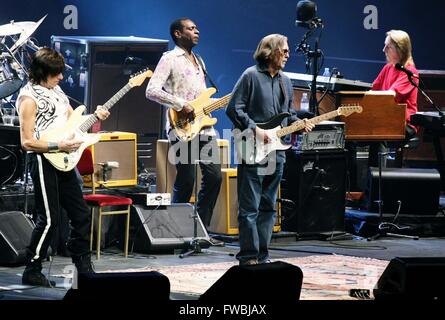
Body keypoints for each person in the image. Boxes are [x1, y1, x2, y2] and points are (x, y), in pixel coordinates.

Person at [17, 48, 110, 287]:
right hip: (43, 160)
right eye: (56, 73)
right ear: (43, 72)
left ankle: (82, 263)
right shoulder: (28, 98)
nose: (61, 78)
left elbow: (76, 123)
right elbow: (27, 142)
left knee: (80, 215)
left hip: (65, 161)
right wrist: (60, 144)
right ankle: (33, 267)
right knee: (49, 219)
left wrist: (95, 117)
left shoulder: (57, 92)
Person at [226, 34, 314, 266]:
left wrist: (300, 124)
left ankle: (263, 255)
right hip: (253, 148)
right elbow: (234, 109)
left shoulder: (285, 81)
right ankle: (248, 257)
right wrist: (256, 130)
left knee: (268, 207)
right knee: (250, 208)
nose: (287, 54)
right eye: (283, 50)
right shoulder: (250, 76)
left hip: (277, 152)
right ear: (269, 51)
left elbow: (288, 114)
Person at [146, 18, 222, 238]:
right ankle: (177, 231)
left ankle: (200, 229)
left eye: (197, 28)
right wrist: (181, 104)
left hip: (204, 129)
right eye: (191, 28)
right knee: (186, 178)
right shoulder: (169, 58)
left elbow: (202, 95)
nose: (197, 31)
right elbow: (151, 90)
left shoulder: (200, 61)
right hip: (181, 128)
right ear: (178, 34)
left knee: (215, 176)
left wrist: (206, 108)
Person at [347, 30, 419, 190]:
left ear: (400, 49)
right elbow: (373, 91)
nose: (383, 50)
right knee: (348, 137)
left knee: (379, 137)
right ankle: (353, 190)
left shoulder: (410, 72)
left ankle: (377, 191)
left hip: (404, 123)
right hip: (382, 121)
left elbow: (390, 95)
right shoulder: (387, 69)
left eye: (388, 47)